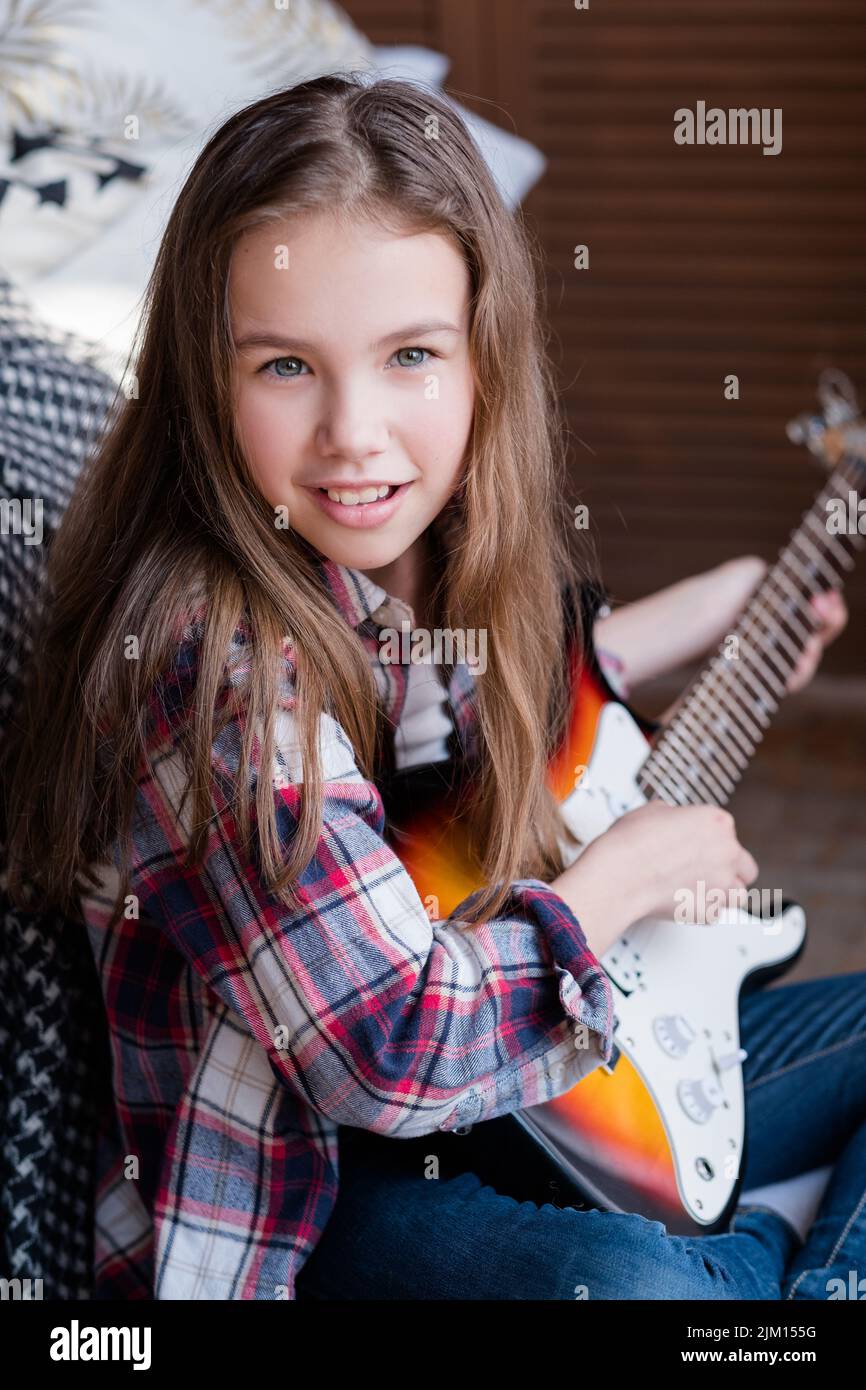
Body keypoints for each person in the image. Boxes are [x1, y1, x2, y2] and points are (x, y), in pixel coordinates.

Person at [2, 73, 861, 1302]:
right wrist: (623, 879)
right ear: (202, 378)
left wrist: (711, 613)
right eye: (286, 365)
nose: (353, 431)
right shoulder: (215, 667)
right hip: (316, 1190)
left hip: (504, 1098)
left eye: (409, 354)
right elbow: (389, 1051)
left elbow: (465, 730)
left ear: (482, 365)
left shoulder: (413, 557)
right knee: (638, 1293)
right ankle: (754, 1266)